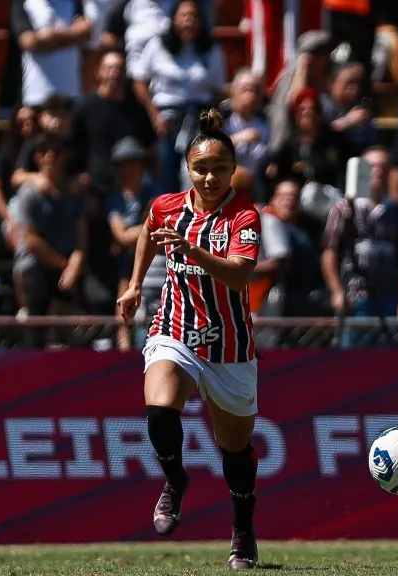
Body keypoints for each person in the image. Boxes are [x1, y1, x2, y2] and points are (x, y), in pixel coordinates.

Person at [116, 106, 262, 570]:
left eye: (220, 168)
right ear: (188, 169)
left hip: (229, 346)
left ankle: (243, 530)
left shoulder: (244, 215)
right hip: (174, 329)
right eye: (201, 168)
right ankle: (176, 480)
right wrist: (134, 285)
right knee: (160, 409)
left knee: (235, 452)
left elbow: (239, 277)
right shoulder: (167, 206)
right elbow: (149, 229)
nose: (209, 177)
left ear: (233, 170)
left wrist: (194, 252)